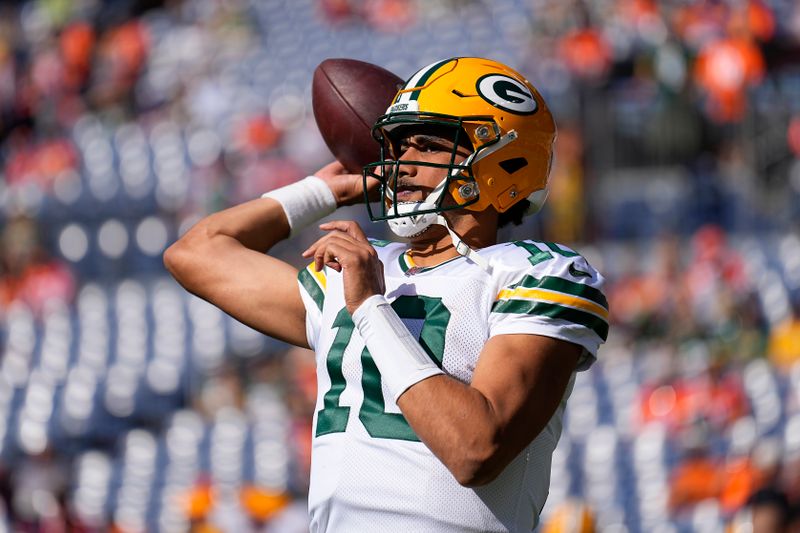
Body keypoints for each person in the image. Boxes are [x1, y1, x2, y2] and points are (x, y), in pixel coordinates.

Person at [165, 57, 609, 532]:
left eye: (428, 145)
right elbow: (195, 254)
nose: (400, 164)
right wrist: (320, 193)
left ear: (503, 159)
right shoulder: (356, 266)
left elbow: (475, 450)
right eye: (397, 146)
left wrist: (370, 308)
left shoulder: (539, 273)